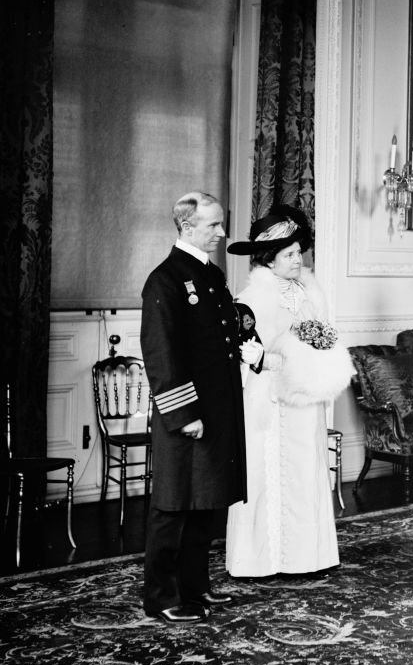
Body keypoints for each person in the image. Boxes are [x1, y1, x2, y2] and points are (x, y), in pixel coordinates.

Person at [141, 192, 257, 624]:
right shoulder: (166, 280)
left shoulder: (209, 275)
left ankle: (195, 588)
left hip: (217, 411)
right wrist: (183, 415)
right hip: (187, 416)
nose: (222, 233)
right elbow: (162, 354)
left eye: (221, 224)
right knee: (173, 508)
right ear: (187, 227)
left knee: (205, 503)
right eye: (213, 225)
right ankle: (162, 597)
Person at [224, 205, 352, 577]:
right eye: (289, 254)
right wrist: (268, 359)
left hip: (305, 397)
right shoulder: (252, 298)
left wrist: (312, 361)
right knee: (267, 474)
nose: (298, 259)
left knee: (306, 469)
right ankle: (261, 561)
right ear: (270, 259)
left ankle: (305, 559)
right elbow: (248, 355)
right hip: (269, 398)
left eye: (300, 252)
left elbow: (324, 338)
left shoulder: (311, 293)